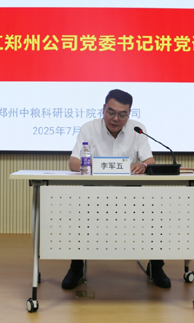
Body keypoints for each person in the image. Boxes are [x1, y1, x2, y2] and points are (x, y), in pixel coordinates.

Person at [63, 89, 171, 290]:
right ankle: (76, 268)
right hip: (94, 192)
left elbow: (149, 160)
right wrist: (98, 165)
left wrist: (143, 166)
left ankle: (156, 267)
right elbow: (74, 163)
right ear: (103, 109)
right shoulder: (89, 128)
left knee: (153, 214)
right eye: (111, 112)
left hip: (129, 192)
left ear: (129, 114)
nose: (115, 118)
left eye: (122, 114)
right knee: (79, 215)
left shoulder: (137, 129)